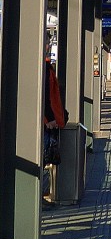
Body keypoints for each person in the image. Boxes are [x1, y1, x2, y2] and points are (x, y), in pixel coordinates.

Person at [42, 56, 67, 196]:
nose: (48, 46)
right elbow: (44, 95)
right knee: (44, 157)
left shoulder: (47, 67)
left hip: (50, 120)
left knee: (46, 158)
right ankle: (39, 195)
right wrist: (50, 118)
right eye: (47, 42)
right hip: (47, 122)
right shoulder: (44, 68)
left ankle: (42, 193)